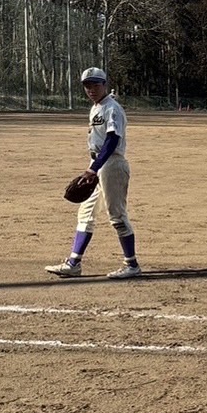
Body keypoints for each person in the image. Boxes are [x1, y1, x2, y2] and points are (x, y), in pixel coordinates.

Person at [45, 68, 141, 280]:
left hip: (111, 164)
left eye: (96, 85)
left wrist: (93, 169)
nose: (91, 89)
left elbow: (112, 139)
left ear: (105, 84)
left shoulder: (111, 108)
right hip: (98, 164)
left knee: (116, 216)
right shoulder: (96, 108)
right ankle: (73, 263)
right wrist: (94, 166)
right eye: (87, 86)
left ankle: (131, 265)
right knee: (85, 213)